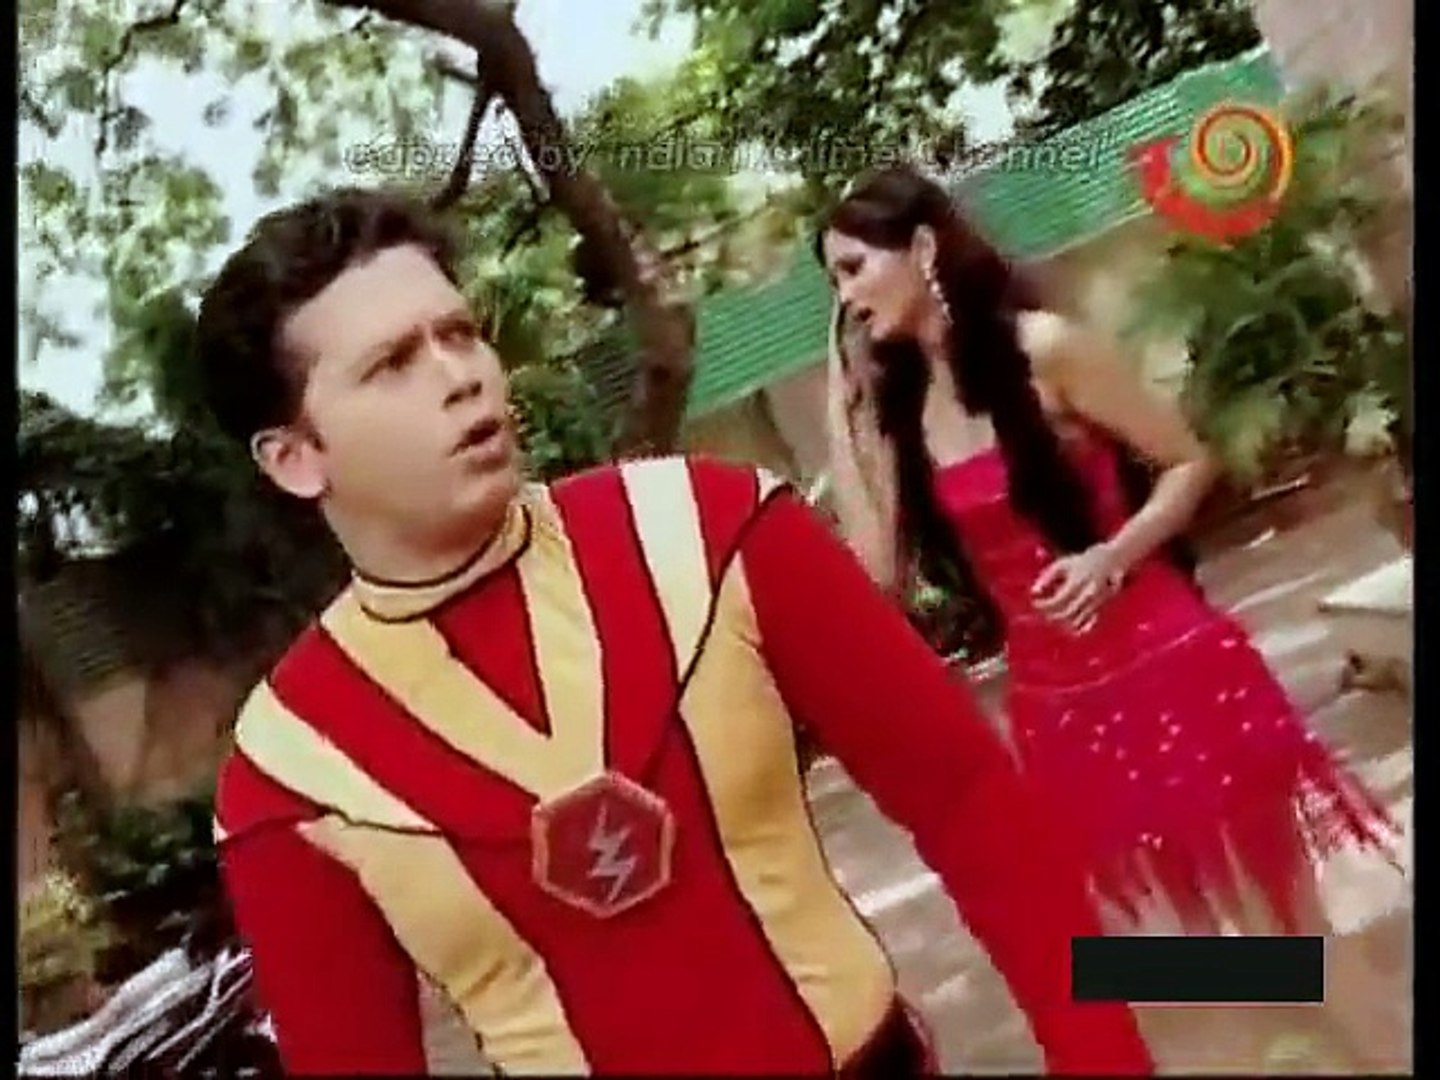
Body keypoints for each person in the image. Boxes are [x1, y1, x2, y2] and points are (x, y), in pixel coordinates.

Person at [197, 188, 1152, 1076]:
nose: (462, 378)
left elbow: (970, 803)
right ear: (295, 459)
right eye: (392, 365)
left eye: (459, 334)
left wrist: (1103, 1058)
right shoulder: (292, 770)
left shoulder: (711, 527)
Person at [817, 165, 1399, 938]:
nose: (846, 298)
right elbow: (877, 576)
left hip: (1169, 664)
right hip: (1058, 712)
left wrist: (1110, 558)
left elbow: (1189, 461)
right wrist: (843, 407)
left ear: (923, 248)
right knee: (1169, 958)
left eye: (854, 268)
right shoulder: (901, 411)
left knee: (1282, 930)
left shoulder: (1047, 347)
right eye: (834, 282)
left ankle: (1341, 1010)